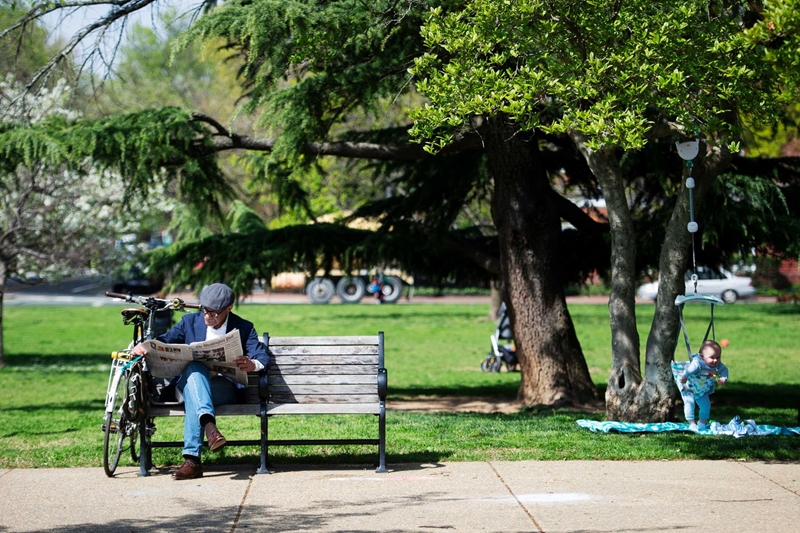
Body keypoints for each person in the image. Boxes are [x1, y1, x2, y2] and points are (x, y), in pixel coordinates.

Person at [131, 282, 268, 480]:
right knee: (195, 370)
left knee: (195, 395)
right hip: (185, 385)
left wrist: (251, 364)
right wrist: (144, 346)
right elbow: (164, 341)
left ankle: (193, 462)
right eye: (205, 310)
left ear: (228, 308)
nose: (207, 316)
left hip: (223, 389)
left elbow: (262, 357)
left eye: (214, 313)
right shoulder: (189, 322)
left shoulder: (244, 327)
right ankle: (210, 429)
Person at [678, 340, 729, 431]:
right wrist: (685, 376)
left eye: (718, 357)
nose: (715, 360)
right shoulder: (698, 363)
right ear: (702, 356)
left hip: (702, 390)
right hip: (689, 387)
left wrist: (723, 378)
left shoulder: (718, 365)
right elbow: (689, 370)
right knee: (690, 404)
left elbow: (724, 370)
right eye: (712, 357)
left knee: (706, 405)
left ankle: (702, 423)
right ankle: (692, 423)